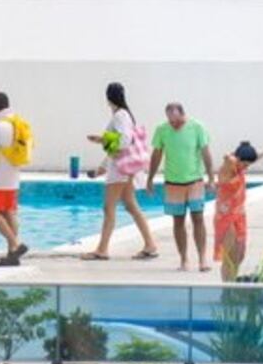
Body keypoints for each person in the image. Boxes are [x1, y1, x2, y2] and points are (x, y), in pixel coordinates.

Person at [82, 82, 158, 261]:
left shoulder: (120, 116)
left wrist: (101, 139)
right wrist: (101, 168)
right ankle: (150, 244)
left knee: (109, 208)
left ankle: (102, 249)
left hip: (120, 170)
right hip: (123, 169)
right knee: (131, 206)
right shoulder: (125, 114)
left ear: (108, 98)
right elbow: (119, 146)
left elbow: (123, 142)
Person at [147, 103, 217, 272]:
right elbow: (156, 155)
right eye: (171, 122)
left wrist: (211, 178)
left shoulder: (197, 127)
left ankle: (202, 259)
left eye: (177, 122)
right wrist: (149, 178)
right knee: (178, 221)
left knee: (198, 219)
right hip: (173, 183)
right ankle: (184, 259)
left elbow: (206, 153)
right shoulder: (162, 130)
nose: (174, 125)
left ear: (183, 115)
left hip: (195, 181)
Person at [0, 92, 29, 267]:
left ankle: (15, 245)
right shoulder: (19, 123)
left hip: (0, 175)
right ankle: (12, 256)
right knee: (9, 212)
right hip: (15, 174)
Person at [213, 141, 263, 282]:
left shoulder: (240, 166)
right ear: (238, 159)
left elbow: (261, 153)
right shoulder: (227, 168)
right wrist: (233, 156)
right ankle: (227, 287)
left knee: (240, 255)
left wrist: (248, 152)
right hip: (225, 216)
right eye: (245, 164)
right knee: (229, 255)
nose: (246, 167)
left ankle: (232, 281)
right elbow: (227, 157)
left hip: (239, 215)